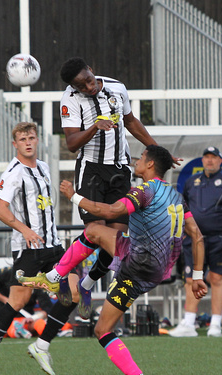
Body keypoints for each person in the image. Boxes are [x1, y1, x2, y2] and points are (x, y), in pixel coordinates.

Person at [21, 145, 207, 375]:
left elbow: (109, 212)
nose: (138, 160)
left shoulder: (145, 190)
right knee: (96, 238)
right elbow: (196, 235)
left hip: (137, 263)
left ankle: (55, 277)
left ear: (151, 165)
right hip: (153, 270)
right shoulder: (175, 196)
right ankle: (64, 281)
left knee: (95, 234)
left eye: (142, 157)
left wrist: (74, 196)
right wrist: (197, 277)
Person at [0, 122, 79, 375]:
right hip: (29, 250)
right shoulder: (13, 173)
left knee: (75, 293)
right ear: (15, 144)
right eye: (22, 139)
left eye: (31, 137)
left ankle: (41, 345)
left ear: (37, 140)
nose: (28, 142)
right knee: (17, 303)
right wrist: (25, 230)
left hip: (54, 246)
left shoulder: (44, 167)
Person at [58, 56, 160, 315]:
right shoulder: (69, 100)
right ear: (74, 86)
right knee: (96, 230)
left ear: (92, 69)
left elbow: (132, 122)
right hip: (91, 169)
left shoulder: (117, 87)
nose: (89, 87)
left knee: (116, 238)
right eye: (81, 86)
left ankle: (87, 283)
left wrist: (156, 149)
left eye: (89, 81)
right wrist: (95, 126)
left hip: (120, 169)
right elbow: (71, 143)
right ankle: (59, 272)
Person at [169, 146, 222, 338]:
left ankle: (216, 324)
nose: (209, 161)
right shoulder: (191, 182)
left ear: (220, 160)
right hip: (194, 240)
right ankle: (188, 322)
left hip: (219, 239)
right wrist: (183, 232)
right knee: (191, 279)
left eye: (213, 157)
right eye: (206, 157)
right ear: (202, 160)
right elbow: (181, 207)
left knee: (218, 279)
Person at [0, 266, 54, 337]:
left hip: (27, 319)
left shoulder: (36, 281)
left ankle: (53, 332)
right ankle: (18, 332)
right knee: (7, 326)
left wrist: (33, 318)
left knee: (40, 323)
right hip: (8, 318)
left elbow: (48, 308)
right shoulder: (7, 273)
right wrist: (4, 299)